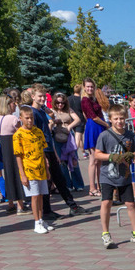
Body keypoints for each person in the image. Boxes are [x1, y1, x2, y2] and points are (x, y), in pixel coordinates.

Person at [93, 104, 135, 249]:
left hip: (124, 176)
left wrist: (130, 155)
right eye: (116, 119)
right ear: (111, 120)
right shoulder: (104, 135)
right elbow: (97, 154)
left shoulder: (130, 135)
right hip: (107, 175)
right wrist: (112, 156)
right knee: (106, 202)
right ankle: (105, 233)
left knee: (131, 204)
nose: (119, 121)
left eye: (122, 118)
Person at [30, 84, 86, 219]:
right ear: (33, 97)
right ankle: (47, 211)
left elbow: (48, 134)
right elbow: (37, 137)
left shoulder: (42, 111)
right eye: (39, 96)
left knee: (59, 179)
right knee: (48, 182)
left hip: (50, 149)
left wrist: (54, 152)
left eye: (44, 96)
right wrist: (44, 156)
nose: (42, 99)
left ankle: (71, 206)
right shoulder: (33, 113)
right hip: (42, 152)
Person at [13, 106, 52, 233]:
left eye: (32, 118)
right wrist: (23, 174)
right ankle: (36, 222)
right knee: (34, 196)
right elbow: (18, 156)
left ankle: (41, 219)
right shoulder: (18, 135)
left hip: (40, 167)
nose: (30, 120)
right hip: (29, 169)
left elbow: (42, 151)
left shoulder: (38, 132)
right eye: (27, 118)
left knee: (41, 195)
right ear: (21, 118)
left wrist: (46, 168)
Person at [0, 95, 29, 215]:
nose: (15, 105)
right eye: (13, 103)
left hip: (4, 148)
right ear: (7, 105)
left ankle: (10, 203)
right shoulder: (13, 119)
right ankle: (20, 206)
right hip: (14, 147)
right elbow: (22, 132)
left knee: (8, 175)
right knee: (17, 174)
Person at [51, 92, 84, 192]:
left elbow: (77, 119)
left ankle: (78, 184)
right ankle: (67, 184)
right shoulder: (52, 111)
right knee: (62, 162)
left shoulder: (69, 110)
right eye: (58, 103)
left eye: (62, 103)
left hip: (68, 137)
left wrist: (69, 126)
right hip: (57, 137)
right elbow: (49, 123)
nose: (60, 105)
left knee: (74, 160)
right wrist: (54, 122)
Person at [82, 78, 107, 196]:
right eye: (87, 86)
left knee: (99, 160)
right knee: (93, 159)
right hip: (93, 127)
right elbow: (93, 116)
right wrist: (107, 125)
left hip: (98, 127)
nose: (90, 89)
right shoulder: (85, 100)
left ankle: (99, 185)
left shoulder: (94, 99)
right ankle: (92, 187)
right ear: (84, 87)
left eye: (91, 86)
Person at [68, 84, 85, 152]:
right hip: (80, 119)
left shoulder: (69, 98)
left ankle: (83, 151)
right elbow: (84, 111)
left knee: (78, 136)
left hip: (72, 119)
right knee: (78, 137)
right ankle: (75, 152)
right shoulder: (82, 99)